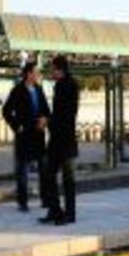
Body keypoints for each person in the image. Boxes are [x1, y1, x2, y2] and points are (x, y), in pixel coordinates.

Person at [2, 62, 51, 213]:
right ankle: (22, 202)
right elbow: (6, 111)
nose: (38, 75)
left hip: (38, 135)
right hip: (24, 136)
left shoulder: (39, 89)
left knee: (44, 168)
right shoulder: (17, 90)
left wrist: (45, 119)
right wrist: (17, 127)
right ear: (28, 74)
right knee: (22, 170)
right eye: (36, 72)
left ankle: (45, 199)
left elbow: (46, 110)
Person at [42, 55, 79, 225]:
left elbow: (67, 114)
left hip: (65, 140)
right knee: (49, 176)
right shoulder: (60, 85)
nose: (51, 72)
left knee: (67, 180)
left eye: (52, 69)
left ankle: (69, 215)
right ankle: (55, 210)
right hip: (57, 139)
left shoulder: (70, 86)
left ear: (59, 69)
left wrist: (48, 121)